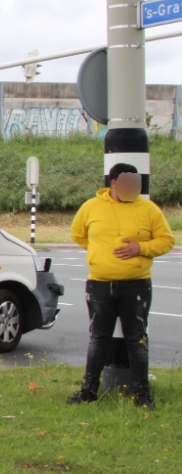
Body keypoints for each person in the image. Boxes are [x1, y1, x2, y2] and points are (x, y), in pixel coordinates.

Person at [66, 163, 174, 410]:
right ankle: (89, 390)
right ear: (113, 184)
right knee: (98, 338)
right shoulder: (91, 207)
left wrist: (141, 248)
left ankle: (142, 394)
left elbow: (167, 240)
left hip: (136, 285)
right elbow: (78, 234)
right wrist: (99, 253)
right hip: (100, 285)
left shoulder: (148, 209)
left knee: (136, 339)